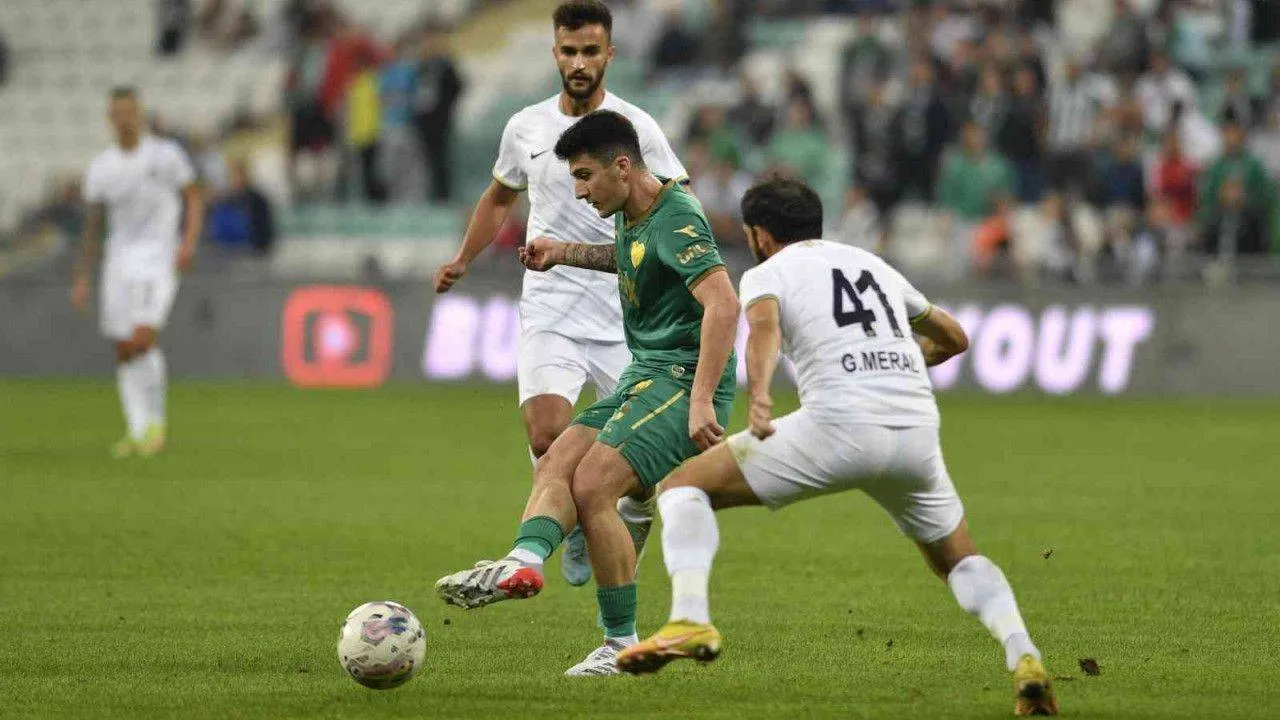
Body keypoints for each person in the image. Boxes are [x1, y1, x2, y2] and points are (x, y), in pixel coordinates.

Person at [614, 178, 1059, 717]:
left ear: (759, 235)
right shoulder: (872, 265)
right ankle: (1024, 655)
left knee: (683, 485)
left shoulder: (768, 272)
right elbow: (955, 337)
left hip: (839, 426)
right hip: (915, 431)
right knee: (958, 559)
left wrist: (760, 395)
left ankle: (689, 619)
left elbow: (763, 330)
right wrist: (895, 360)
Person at [434, 110, 739, 677]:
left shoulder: (677, 217)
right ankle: (523, 561)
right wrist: (562, 251)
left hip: (681, 380)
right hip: (644, 374)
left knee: (595, 484)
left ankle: (619, 644)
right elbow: (630, 258)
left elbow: (724, 302)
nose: (578, 192)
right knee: (556, 459)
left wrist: (701, 399)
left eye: (583, 176)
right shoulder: (633, 210)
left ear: (622, 167)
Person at [430, 0, 688, 653]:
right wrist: (464, 258)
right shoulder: (525, 126)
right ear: (554, 54)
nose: (579, 62)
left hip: (625, 313)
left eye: (590, 51)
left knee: (635, 471)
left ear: (609, 55)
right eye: (569, 51)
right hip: (551, 304)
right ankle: (569, 527)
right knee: (547, 436)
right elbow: (499, 196)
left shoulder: (636, 127)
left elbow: (675, 203)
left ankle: (630, 510)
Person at [71, 87, 203, 457]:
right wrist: (83, 276)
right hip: (118, 262)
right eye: (117, 113)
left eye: (129, 111)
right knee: (124, 348)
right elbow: (93, 224)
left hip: (158, 259)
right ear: (110, 118)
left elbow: (194, 196)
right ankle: (136, 428)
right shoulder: (102, 167)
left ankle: (156, 424)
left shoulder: (165, 155)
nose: (124, 119)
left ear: (140, 115)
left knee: (143, 339)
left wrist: (188, 242)